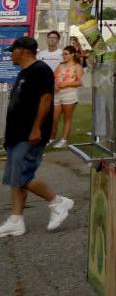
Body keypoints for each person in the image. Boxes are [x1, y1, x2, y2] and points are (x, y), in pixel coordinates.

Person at [1, 36, 73, 237]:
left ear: (23, 51)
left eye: (12, 51)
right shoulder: (24, 72)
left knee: (23, 177)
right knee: (16, 179)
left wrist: (36, 128)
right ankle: (16, 220)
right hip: (17, 134)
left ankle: (58, 202)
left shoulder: (40, 70)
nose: (10, 55)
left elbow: (46, 99)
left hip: (29, 134)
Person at [51, 46, 83, 148]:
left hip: (70, 94)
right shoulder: (60, 65)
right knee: (54, 119)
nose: (63, 56)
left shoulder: (77, 66)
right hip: (57, 94)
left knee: (67, 118)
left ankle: (64, 139)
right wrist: (54, 85)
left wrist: (66, 84)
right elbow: (53, 78)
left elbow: (80, 82)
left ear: (72, 54)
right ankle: (51, 138)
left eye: (66, 54)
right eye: (63, 54)